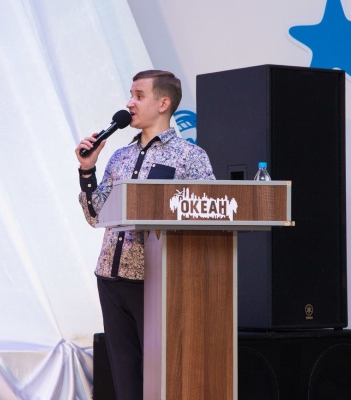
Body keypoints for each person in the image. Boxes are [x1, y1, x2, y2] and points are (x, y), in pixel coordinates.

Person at [75, 70, 215, 400]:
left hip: (155, 282)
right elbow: (95, 216)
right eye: (130, 95)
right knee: (126, 380)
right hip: (111, 278)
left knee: (162, 377)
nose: (130, 103)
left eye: (138, 96)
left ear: (163, 103)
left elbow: (207, 217)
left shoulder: (190, 157)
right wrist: (87, 170)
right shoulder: (120, 156)